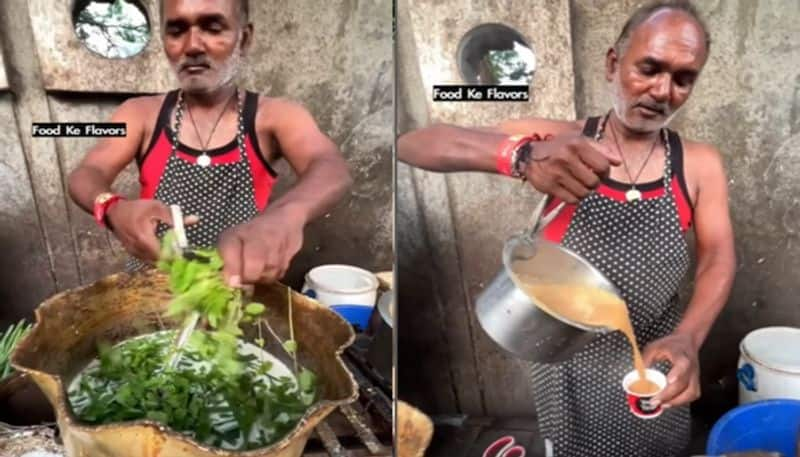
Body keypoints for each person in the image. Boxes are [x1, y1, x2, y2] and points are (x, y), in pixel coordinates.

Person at [398, 1, 735, 456]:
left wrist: (689, 338)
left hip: (656, 353)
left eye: (682, 79)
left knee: (656, 444)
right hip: (567, 359)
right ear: (613, 64)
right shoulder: (558, 142)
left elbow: (717, 257)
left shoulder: (698, 163)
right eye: (649, 68)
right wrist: (519, 157)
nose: (661, 91)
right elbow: (415, 144)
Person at [68, 0, 352, 287]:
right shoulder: (139, 113)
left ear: (244, 38)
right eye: (177, 31)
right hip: (149, 291)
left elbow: (329, 167)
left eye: (212, 27)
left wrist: (285, 216)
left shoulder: (276, 116)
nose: (192, 46)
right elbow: (88, 172)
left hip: (231, 289)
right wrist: (113, 207)